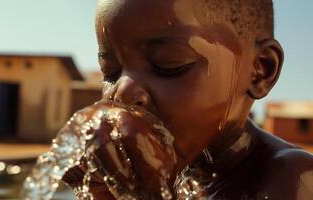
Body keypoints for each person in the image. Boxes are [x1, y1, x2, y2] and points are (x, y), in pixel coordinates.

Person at [63, 0, 313, 199]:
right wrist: (102, 193)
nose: (122, 92)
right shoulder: (186, 174)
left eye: (168, 65)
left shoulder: (289, 177)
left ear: (260, 70)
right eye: (110, 72)